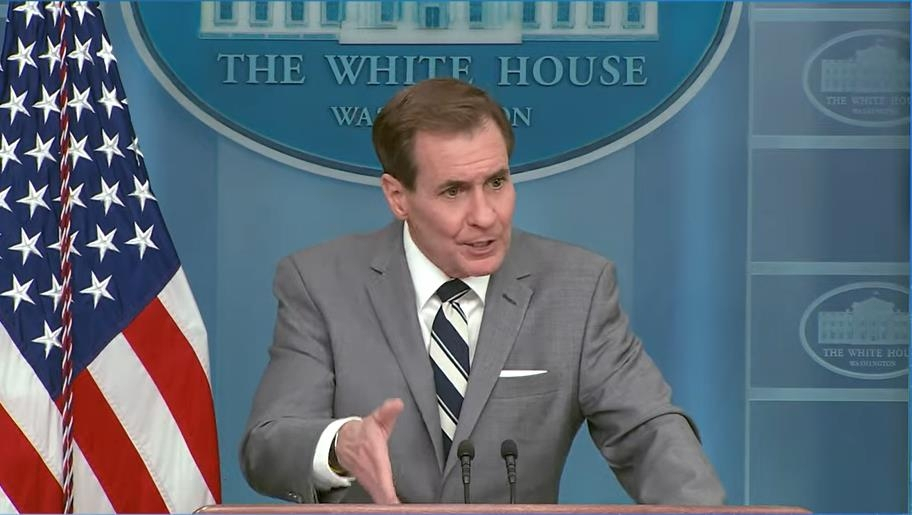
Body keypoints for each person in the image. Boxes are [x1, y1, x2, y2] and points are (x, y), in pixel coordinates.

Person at [240, 78, 725, 505]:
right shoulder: (321, 283)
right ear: (397, 197)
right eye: (453, 191)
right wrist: (341, 444)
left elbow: (649, 433)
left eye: (496, 182)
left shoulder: (577, 287)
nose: (486, 215)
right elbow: (267, 446)